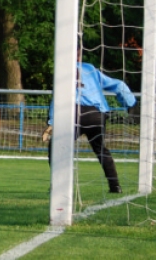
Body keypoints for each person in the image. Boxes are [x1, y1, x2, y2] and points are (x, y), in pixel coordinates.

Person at [47, 58, 137, 194]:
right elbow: (118, 85)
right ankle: (115, 186)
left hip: (74, 113)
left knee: (56, 146)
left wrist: (52, 121)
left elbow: (57, 97)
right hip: (96, 113)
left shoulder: (62, 69)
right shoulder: (90, 69)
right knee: (100, 149)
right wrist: (132, 104)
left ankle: (59, 185)